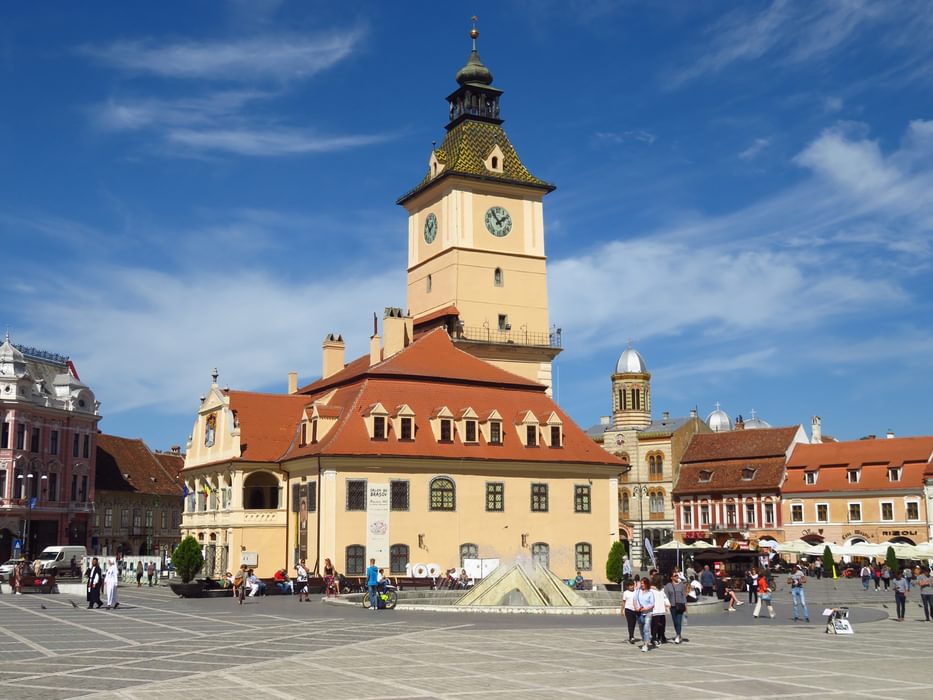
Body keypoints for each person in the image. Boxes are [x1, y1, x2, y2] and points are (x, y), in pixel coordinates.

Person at [663, 572, 688, 644]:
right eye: (675, 575)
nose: (677, 577)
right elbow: (666, 596)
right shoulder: (668, 586)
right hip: (672, 605)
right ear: (671, 577)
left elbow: (683, 595)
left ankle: (678, 635)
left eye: (677, 575)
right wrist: (667, 604)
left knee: (679, 620)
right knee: (675, 621)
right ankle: (678, 634)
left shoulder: (681, 585)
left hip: (680, 605)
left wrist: (685, 604)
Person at [634, 578, 655, 652]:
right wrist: (636, 607)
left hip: (648, 613)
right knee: (641, 628)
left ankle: (645, 644)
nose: (642, 585)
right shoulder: (638, 591)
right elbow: (635, 600)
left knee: (646, 627)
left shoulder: (650, 593)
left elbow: (652, 604)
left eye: (643, 583)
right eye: (641, 583)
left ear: (646, 584)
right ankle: (645, 639)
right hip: (639, 612)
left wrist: (645, 609)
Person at [621, 579, 638, 644]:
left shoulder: (636, 592)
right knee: (630, 623)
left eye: (632, 585)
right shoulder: (625, 593)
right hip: (628, 610)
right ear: (627, 586)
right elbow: (623, 602)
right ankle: (631, 637)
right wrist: (622, 610)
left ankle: (632, 634)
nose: (632, 587)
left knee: (633, 623)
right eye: (630, 585)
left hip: (635, 610)